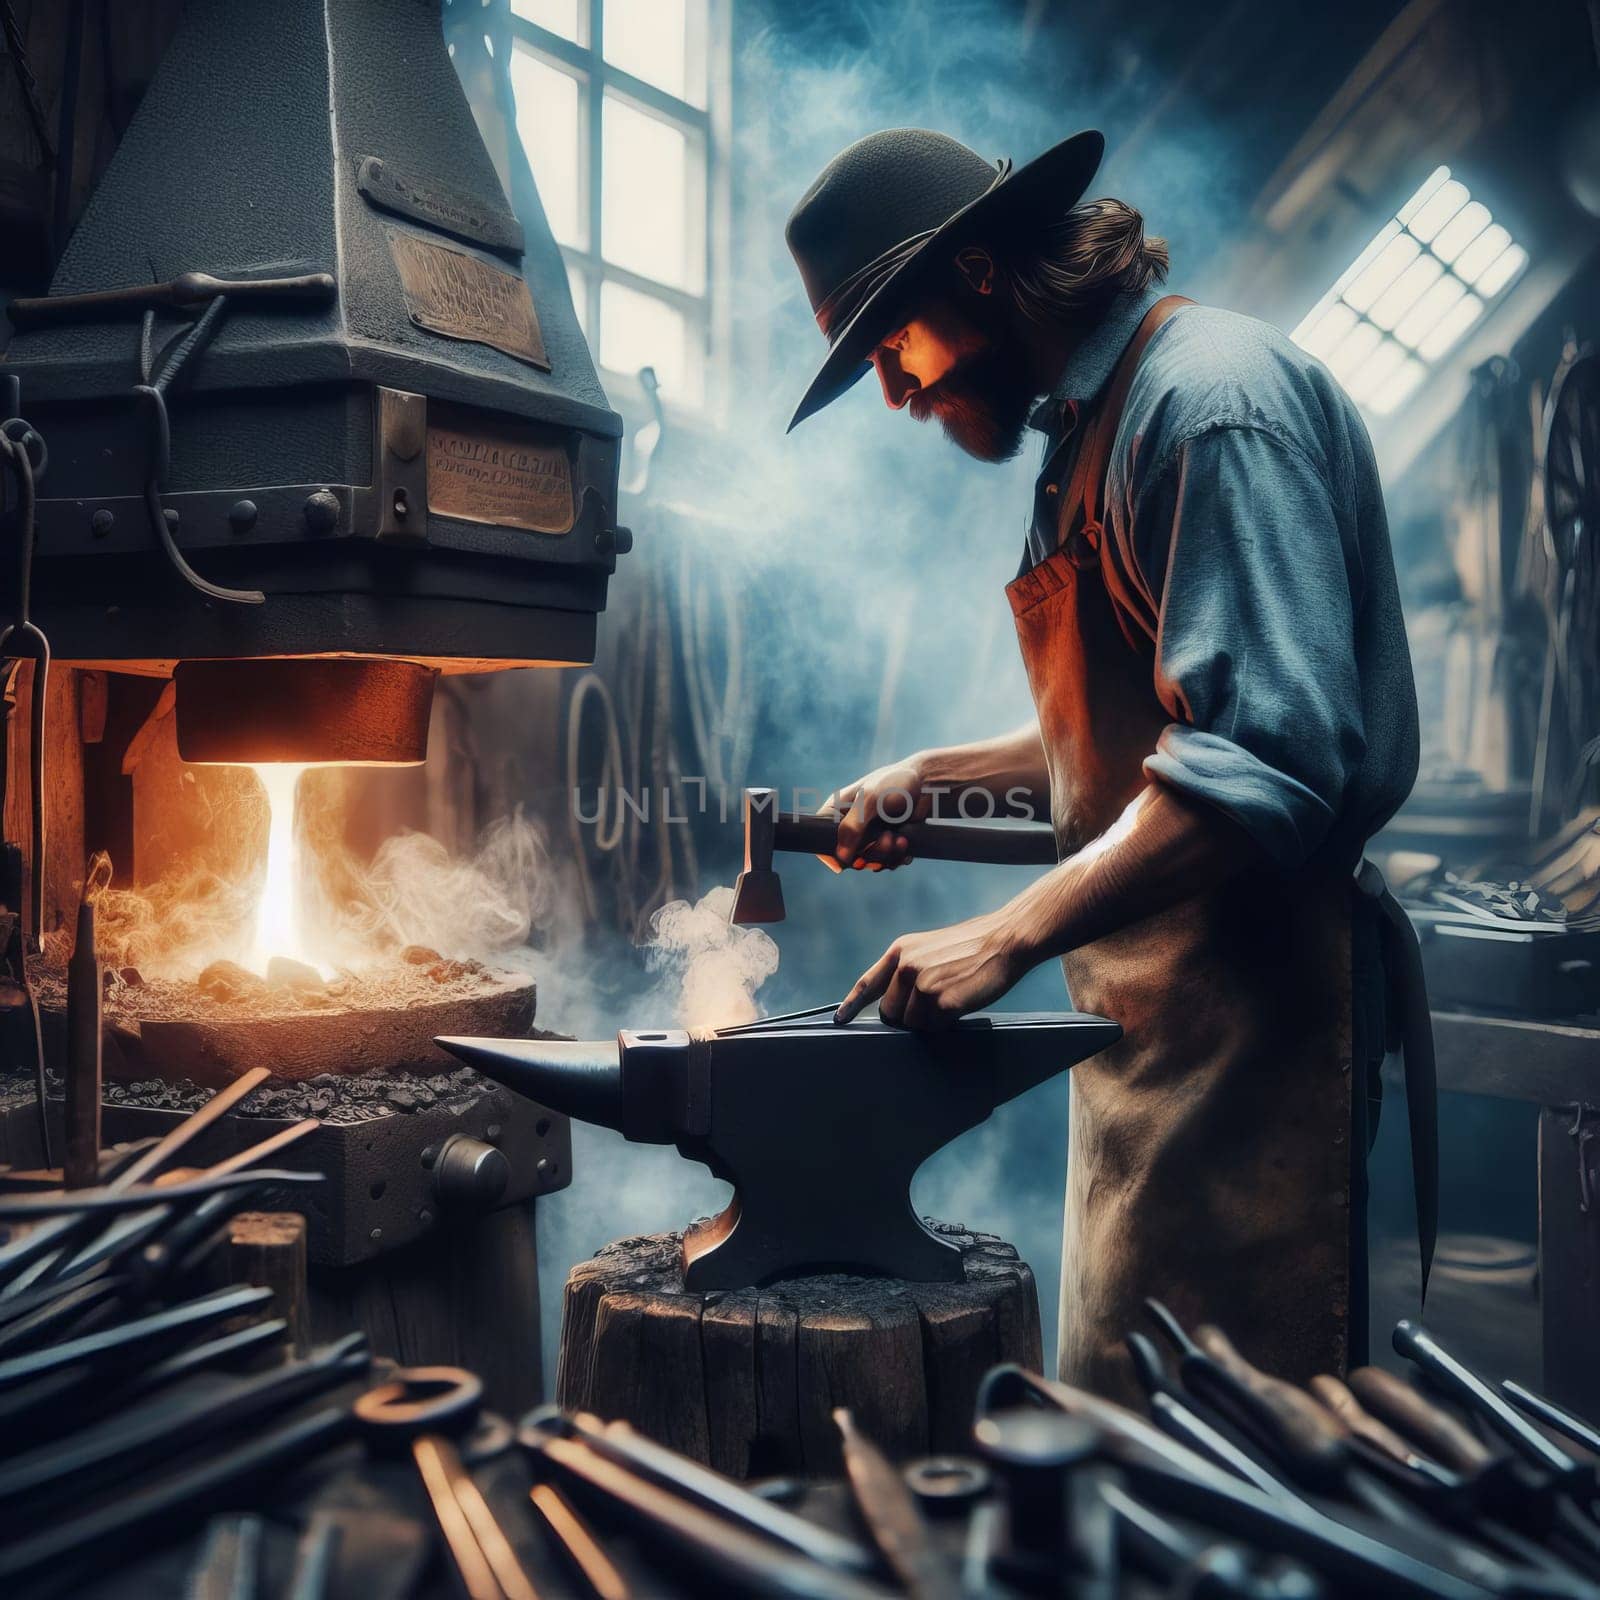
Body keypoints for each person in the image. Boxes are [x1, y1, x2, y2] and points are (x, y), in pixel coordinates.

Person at [784, 126, 1435, 1401]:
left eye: (890, 343)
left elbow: (1260, 763)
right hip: (1150, 1027)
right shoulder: (1088, 429)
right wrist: (932, 776)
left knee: (1236, 1463)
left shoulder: (1207, 407)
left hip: (1255, 1031)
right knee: (1132, 1427)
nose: (893, 391)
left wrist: (1005, 935)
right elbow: (1136, 751)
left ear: (977, 270)